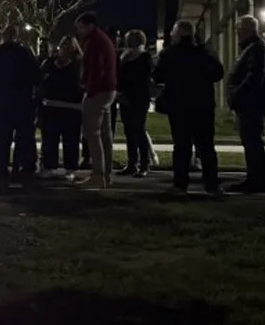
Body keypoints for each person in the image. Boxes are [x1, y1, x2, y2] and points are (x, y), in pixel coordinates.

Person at [154, 20, 223, 193]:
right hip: (203, 105)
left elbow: (157, 76)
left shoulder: (169, 54)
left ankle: (180, 183)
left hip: (179, 106)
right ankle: (212, 184)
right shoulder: (205, 52)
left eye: (173, 33)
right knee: (206, 146)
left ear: (178, 34)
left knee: (181, 146)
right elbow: (218, 73)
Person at [0, 25, 41, 188]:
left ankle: (0, 173)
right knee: (25, 139)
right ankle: (24, 171)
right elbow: (36, 76)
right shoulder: (24, 53)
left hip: (1, 104)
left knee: (1, 140)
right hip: (22, 102)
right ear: (16, 36)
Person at [227, 15, 265, 193]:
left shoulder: (257, 48)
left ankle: (259, 179)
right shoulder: (253, 47)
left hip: (251, 103)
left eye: (239, 29)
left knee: (253, 142)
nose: (237, 33)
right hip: (249, 102)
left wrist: (237, 95)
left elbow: (254, 76)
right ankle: (254, 177)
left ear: (247, 29)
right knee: (250, 142)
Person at [76, 12, 118, 188]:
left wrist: (89, 89)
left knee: (92, 134)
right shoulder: (103, 39)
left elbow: (95, 68)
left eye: (80, 27)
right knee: (105, 135)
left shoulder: (94, 42)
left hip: (98, 91)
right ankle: (106, 174)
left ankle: (98, 174)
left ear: (89, 25)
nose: (78, 31)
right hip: (108, 90)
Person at [39, 35, 83, 181]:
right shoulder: (50, 63)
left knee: (71, 140)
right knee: (50, 138)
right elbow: (41, 82)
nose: (65, 48)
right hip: (51, 107)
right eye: (63, 44)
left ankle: (70, 168)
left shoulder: (78, 65)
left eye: (69, 45)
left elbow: (82, 85)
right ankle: (48, 165)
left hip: (72, 108)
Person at [117, 30, 153, 177]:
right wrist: (120, 92)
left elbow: (144, 78)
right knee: (129, 131)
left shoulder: (144, 57)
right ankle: (132, 162)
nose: (128, 41)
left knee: (139, 129)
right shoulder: (124, 56)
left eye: (131, 39)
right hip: (125, 97)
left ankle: (144, 163)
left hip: (139, 98)